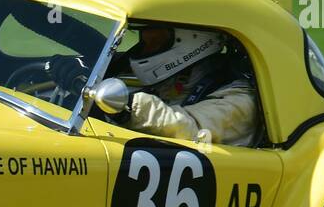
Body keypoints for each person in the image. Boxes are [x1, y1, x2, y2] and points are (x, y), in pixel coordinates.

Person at [48, 26, 260, 147]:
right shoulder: (174, 78)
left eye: (156, 36)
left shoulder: (241, 100)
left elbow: (190, 129)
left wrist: (126, 108)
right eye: (143, 36)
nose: (146, 44)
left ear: (193, 38)